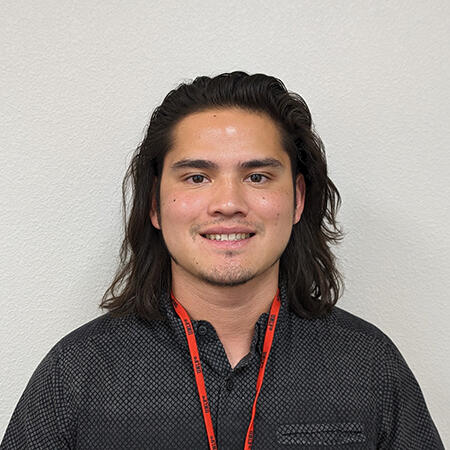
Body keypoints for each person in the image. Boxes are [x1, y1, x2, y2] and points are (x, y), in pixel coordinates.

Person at [1, 72, 444, 449]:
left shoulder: (368, 364)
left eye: (257, 176)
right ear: (154, 204)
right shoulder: (75, 372)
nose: (228, 203)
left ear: (297, 199)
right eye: (197, 177)